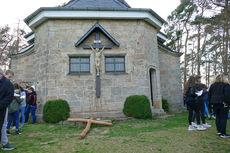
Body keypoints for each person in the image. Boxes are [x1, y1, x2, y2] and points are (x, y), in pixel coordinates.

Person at [208, 74, 230, 138]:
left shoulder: (212, 85)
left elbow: (209, 95)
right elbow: (228, 95)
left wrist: (210, 103)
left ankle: (219, 131)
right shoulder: (226, 85)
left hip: (215, 103)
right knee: (223, 118)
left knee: (218, 117)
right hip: (223, 103)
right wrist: (227, 102)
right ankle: (223, 133)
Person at [0, 69, 16, 150]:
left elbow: (9, 97)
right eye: (9, 76)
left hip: (2, 108)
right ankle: (5, 143)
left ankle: (5, 143)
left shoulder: (8, 84)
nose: (10, 78)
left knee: (3, 125)